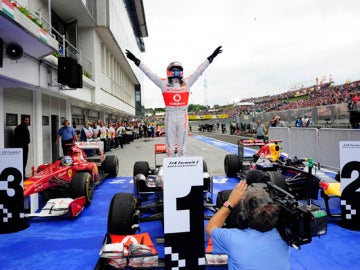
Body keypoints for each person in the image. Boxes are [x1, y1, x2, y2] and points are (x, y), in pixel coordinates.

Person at [125, 46, 222, 157]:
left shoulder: (187, 82)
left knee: (182, 148)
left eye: (178, 70)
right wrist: (137, 61)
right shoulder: (163, 83)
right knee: (170, 148)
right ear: (169, 71)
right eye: (174, 70)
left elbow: (198, 71)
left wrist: (211, 58)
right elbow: (149, 73)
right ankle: (170, 168)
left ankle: (182, 169)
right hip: (170, 116)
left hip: (183, 116)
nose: (176, 72)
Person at [206, 181, 290, 270]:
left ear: (244, 216)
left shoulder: (232, 238)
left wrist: (230, 203)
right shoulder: (285, 235)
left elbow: (210, 227)